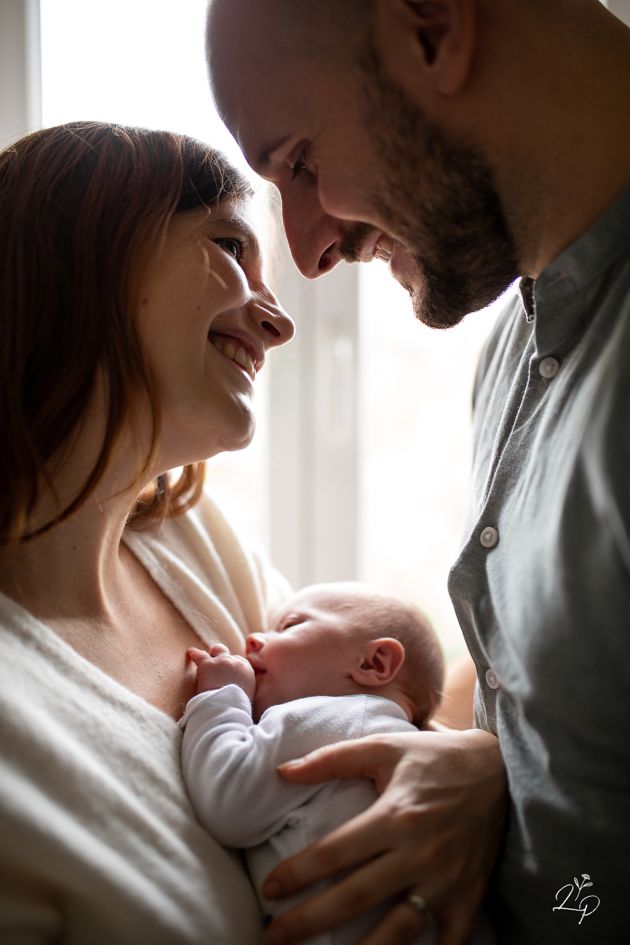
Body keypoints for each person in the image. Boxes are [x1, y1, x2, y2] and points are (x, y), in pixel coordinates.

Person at [205, 1, 630, 944]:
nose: (308, 254)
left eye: (302, 163)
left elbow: (600, 897)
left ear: (435, 26)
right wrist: (485, 766)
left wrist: (578, 893)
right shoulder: (516, 353)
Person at [0, 120, 295, 943]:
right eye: (231, 246)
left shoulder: (198, 544)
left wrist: (471, 768)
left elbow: (375, 699)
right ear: (84, 243)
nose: (278, 325)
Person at [180, 581, 454, 945]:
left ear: (373, 663)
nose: (251, 640)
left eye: (290, 626)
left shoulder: (329, 718)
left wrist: (220, 698)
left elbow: (228, 802)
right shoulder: (404, 740)